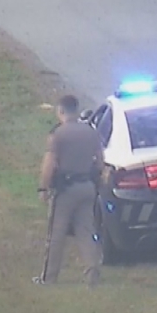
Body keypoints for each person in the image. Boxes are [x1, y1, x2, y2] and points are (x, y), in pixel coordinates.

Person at [34, 94, 104, 287]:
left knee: (56, 233)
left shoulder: (58, 134)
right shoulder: (91, 132)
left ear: (61, 110)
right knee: (86, 231)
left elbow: (50, 164)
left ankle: (49, 278)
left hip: (66, 190)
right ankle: (92, 272)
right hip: (87, 187)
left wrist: (43, 187)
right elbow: (99, 162)